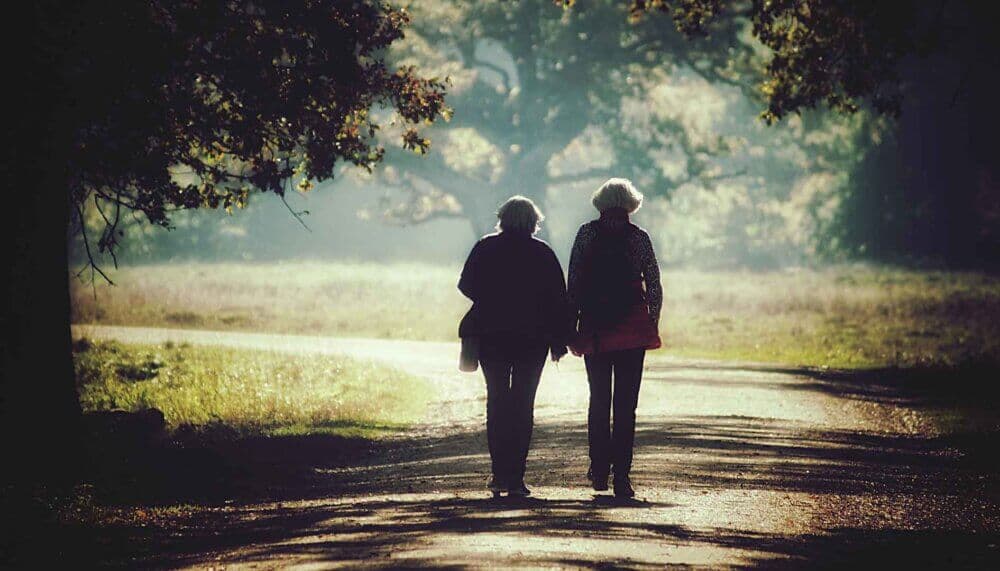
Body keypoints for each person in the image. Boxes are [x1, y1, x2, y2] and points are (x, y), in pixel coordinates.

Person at [458, 196, 570, 497]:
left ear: (502, 218)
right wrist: (560, 338)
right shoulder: (542, 253)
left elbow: (465, 285)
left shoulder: (485, 247)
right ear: (534, 221)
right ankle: (516, 478)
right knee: (523, 403)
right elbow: (559, 298)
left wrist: (491, 298)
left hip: (491, 334)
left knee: (497, 401)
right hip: (533, 338)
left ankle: (498, 474)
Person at [568, 178, 662, 498]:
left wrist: (572, 326)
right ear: (631, 204)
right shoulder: (639, 238)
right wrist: (651, 322)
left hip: (595, 327)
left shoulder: (586, 234)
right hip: (632, 329)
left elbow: (574, 283)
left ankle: (598, 470)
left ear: (601, 202)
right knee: (625, 405)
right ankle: (622, 475)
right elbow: (654, 284)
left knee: (598, 400)